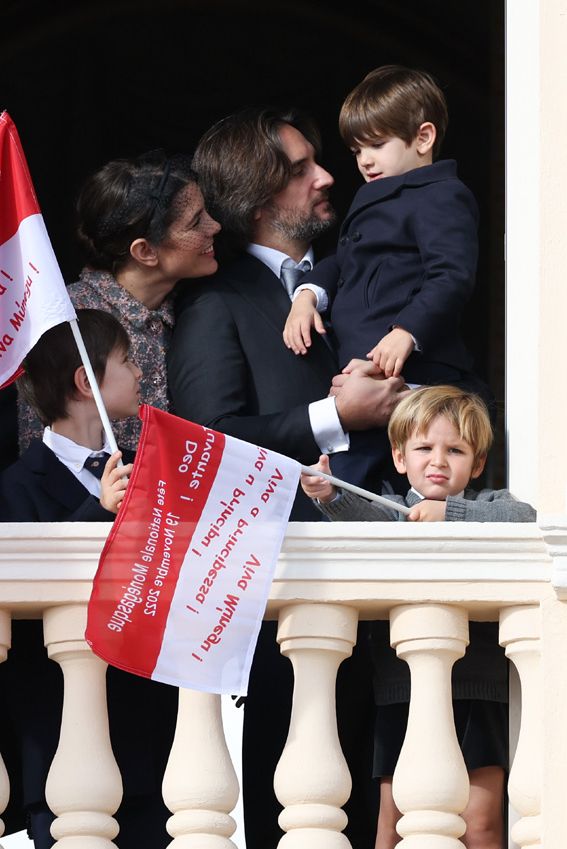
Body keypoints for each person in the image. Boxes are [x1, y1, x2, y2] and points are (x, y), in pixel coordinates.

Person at [168, 107, 407, 849]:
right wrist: (336, 417)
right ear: (260, 198)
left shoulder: (351, 276)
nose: (327, 176)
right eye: (304, 168)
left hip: (382, 588)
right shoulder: (217, 300)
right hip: (282, 594)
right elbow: (211, 438)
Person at [301, 385, 536, 849]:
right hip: (400, 689)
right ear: (399, 456)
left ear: (479, 463)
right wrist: (328, 496)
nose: (439, 461)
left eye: (456, 450)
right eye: (424, 448)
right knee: (394, 822)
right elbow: (359, 520)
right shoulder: (391, 511)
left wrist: (450, 512)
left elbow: (524, 515)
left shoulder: (485, 507)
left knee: (481, 823)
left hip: (478, 687)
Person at [0, 310, 178, 849]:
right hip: (60, 737)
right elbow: (36, 583)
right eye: (127, 360)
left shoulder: (146, 469)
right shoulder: (16, 486)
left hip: (147, 738)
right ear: (86, 381)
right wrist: (100, 512)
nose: (142, 371)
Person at [284, 65, 490, 492]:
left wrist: (407, 332)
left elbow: (449, 275)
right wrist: (307, 295)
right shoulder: (371, 198)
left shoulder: (441, 194)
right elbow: (343, 261)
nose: (365, 160)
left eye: (377, 144)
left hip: (415, 375)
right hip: (364, 375)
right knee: (351, 482)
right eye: (358, 150)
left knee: (419, 477)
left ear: (423, 137)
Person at [18, 150, 220, 453]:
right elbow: (43, 456)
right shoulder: (66, 323)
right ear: (145, 252)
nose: (214, 227)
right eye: (195, 223)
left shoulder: (196, 303)